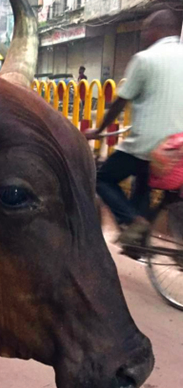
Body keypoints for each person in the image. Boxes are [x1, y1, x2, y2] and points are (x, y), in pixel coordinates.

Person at [86, 10, 183, 246]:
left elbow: (120, 101)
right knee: (143, 188)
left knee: (103, 179)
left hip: (149, 146)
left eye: (146, 29)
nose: (143, 35)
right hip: (177, 146)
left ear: (159, 29)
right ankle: (138, 243)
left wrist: (99, 130)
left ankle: (134, 222)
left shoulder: (145, 59)